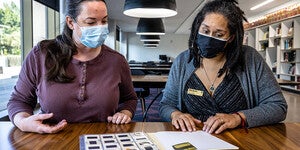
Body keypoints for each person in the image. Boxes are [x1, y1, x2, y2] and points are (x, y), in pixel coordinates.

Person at [7, 0, 137, 134]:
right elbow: (19, 101)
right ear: (71, 23)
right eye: (91, 22)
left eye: (104, 21)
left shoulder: (117, 61)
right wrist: (23, 122)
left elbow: (129, 99)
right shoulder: (41, 55)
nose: (100, 27)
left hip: (103, 138)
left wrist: (124, 113)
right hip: (51, 139)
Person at [159, 0, 287, 134]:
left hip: (240, 140)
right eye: (205, 30)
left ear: (230, 37)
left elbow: (278, 107)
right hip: (192, 138)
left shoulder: (250, 58)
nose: (209, 38)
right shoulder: (182, 61)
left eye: (219, 34)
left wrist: (239, 118)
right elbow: (166, 105)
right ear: (198, 28)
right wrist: (175, 114)